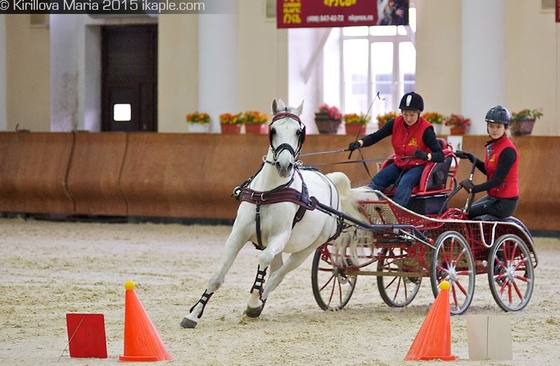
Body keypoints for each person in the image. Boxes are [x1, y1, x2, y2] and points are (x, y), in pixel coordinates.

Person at [347, 91, 444, 207]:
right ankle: (369, 209)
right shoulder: (395, 123)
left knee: (405, 182)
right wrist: (359, 143)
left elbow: (440, 155)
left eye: (412, 115)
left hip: (419, 166)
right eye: (405, 114)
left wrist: (426, 156)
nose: (408, 118)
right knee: (378, 180)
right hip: (400, 164)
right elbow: (376, 136)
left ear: (419, 114)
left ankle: (396, 215)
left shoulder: (426, 130)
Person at [455, 105, 519, 219]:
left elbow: (497, 180)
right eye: (491, 126)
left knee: (467, 213)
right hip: (494, 197)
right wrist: (472, 158)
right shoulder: (494, 146)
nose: (494, 130)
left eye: (498, 127)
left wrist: (474, 189)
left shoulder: (508, 150)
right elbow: (488, 171)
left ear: (505, 128)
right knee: (462, 212)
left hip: (504, 202)